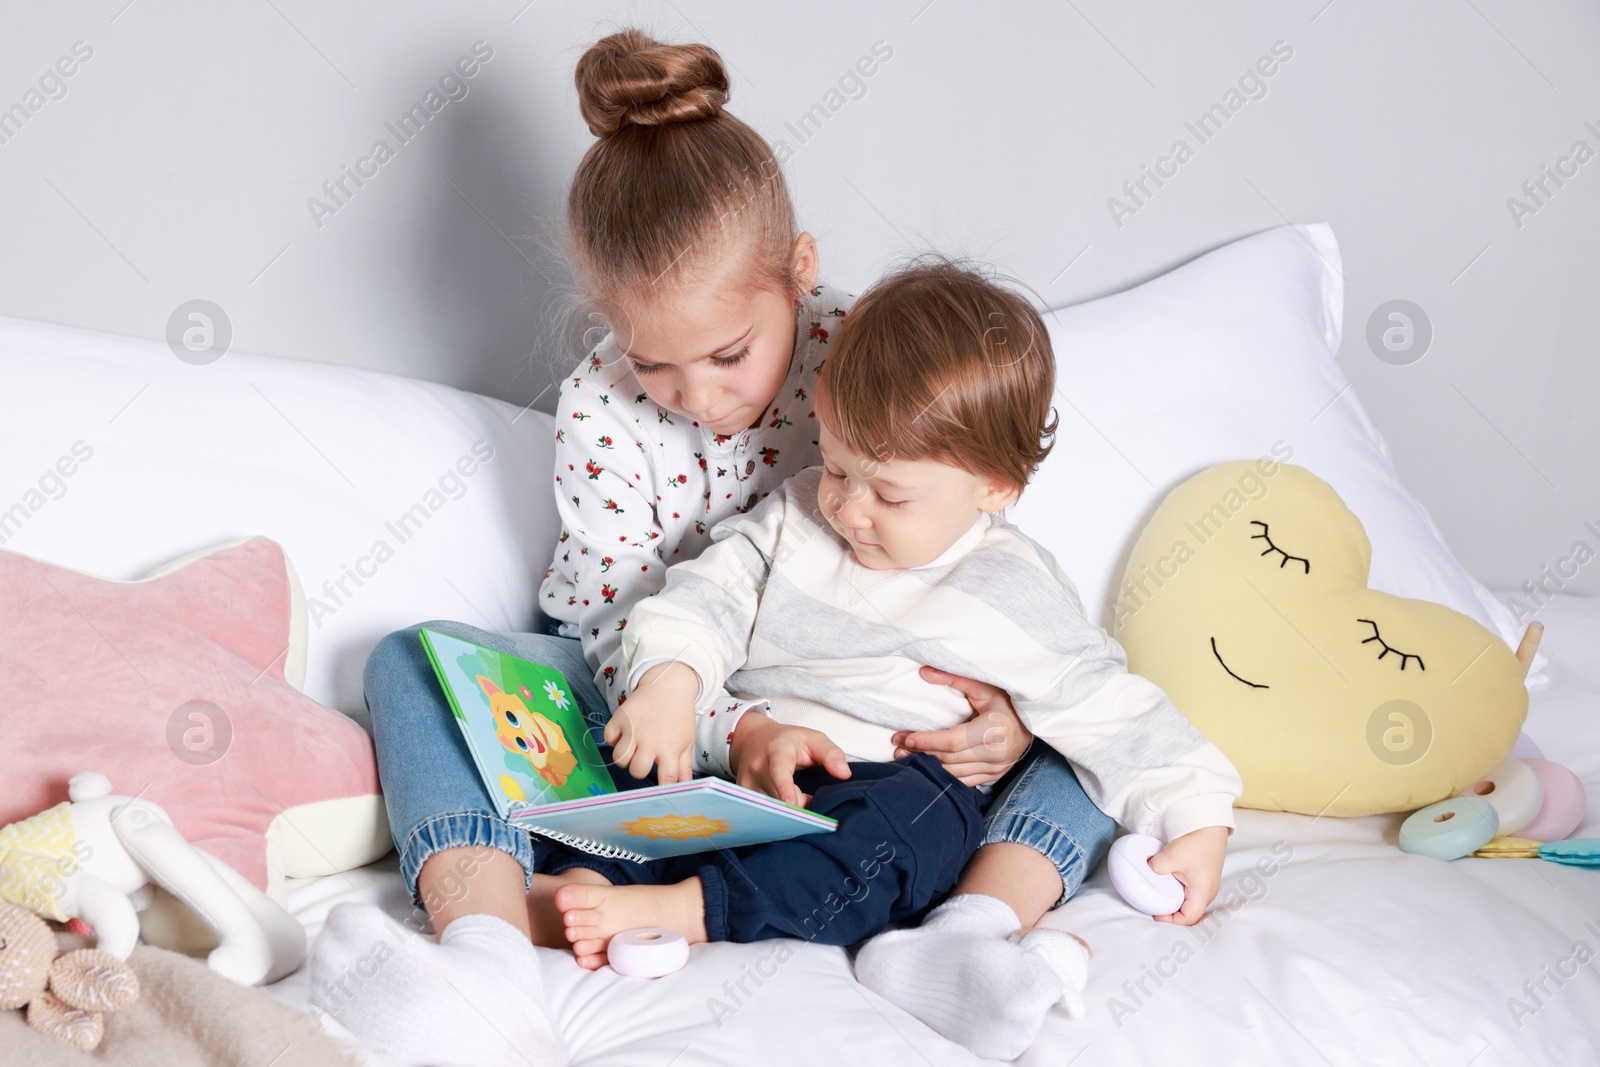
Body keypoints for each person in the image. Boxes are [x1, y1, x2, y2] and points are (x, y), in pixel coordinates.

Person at [308, 30, 1048, 1067]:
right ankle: (483, 945)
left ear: (800, 274)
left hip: (855, 695)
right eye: (655, 363)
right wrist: (724, 716)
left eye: (730, 354)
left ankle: (973, 934)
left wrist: (1008, 708)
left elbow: (962, 524)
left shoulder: (869, 349)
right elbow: (612, 618)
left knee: (1085, 733)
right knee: (407, 660)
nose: (699, 400)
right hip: (649, 696)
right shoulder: (600, 409)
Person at [549, 259, 1245, 1060]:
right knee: (629, 765)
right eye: (838, 464)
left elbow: (1111, 708)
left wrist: (1199, 818)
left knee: (895, 842)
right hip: (751, 763)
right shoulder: (799, 516)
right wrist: (670, 681)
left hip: (888, 782)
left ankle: (694, 912)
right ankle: (585, 886)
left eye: (888, 493)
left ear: (993, 485)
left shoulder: (1011, 587)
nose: (847, 505)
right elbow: (704, 597)